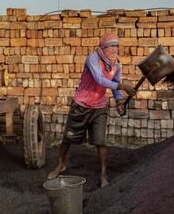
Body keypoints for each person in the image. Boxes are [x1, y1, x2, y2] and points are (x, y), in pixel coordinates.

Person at [47, 33, 136, 187]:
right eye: (111, 46)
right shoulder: (93, 58)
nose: (115, 49)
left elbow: (114, 84)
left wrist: (119, 100)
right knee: (68, 139)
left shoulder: (117, 65)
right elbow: (99, 79)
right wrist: (123, 86)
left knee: (100, 143)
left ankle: (103, 176)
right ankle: (60, 165)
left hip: (99, 107)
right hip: (81, 105)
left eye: (116, 46)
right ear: (102, 48)